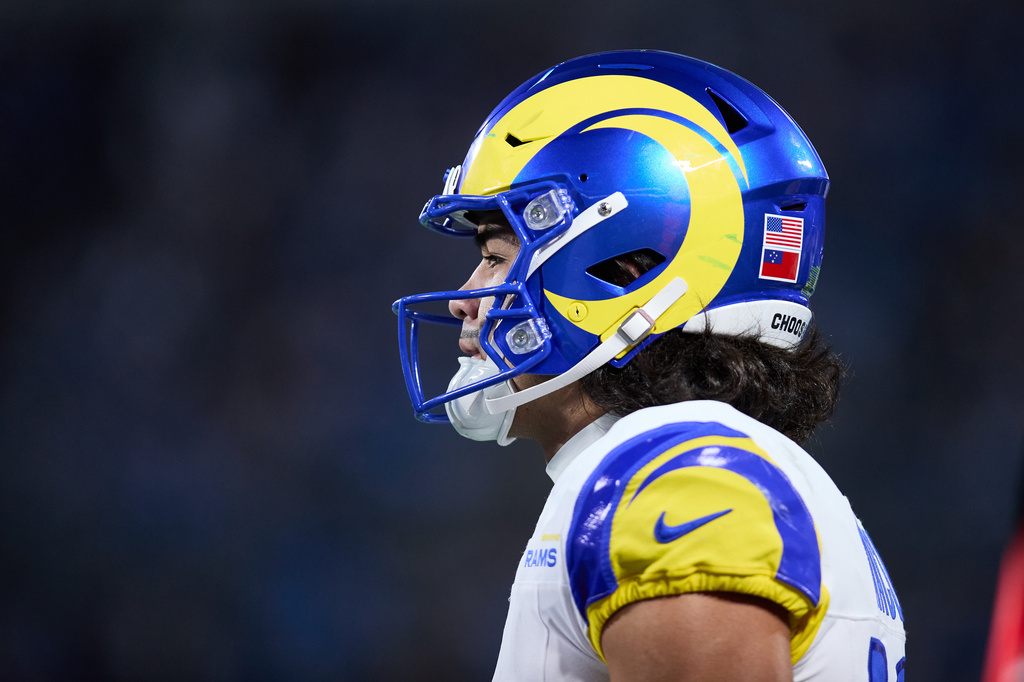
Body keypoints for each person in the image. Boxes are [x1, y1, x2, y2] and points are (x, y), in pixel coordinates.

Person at [393, 50, 906, 681]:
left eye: (499, 255)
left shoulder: (682, 477)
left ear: (626, 269)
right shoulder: (695, 462)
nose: (464, 296)